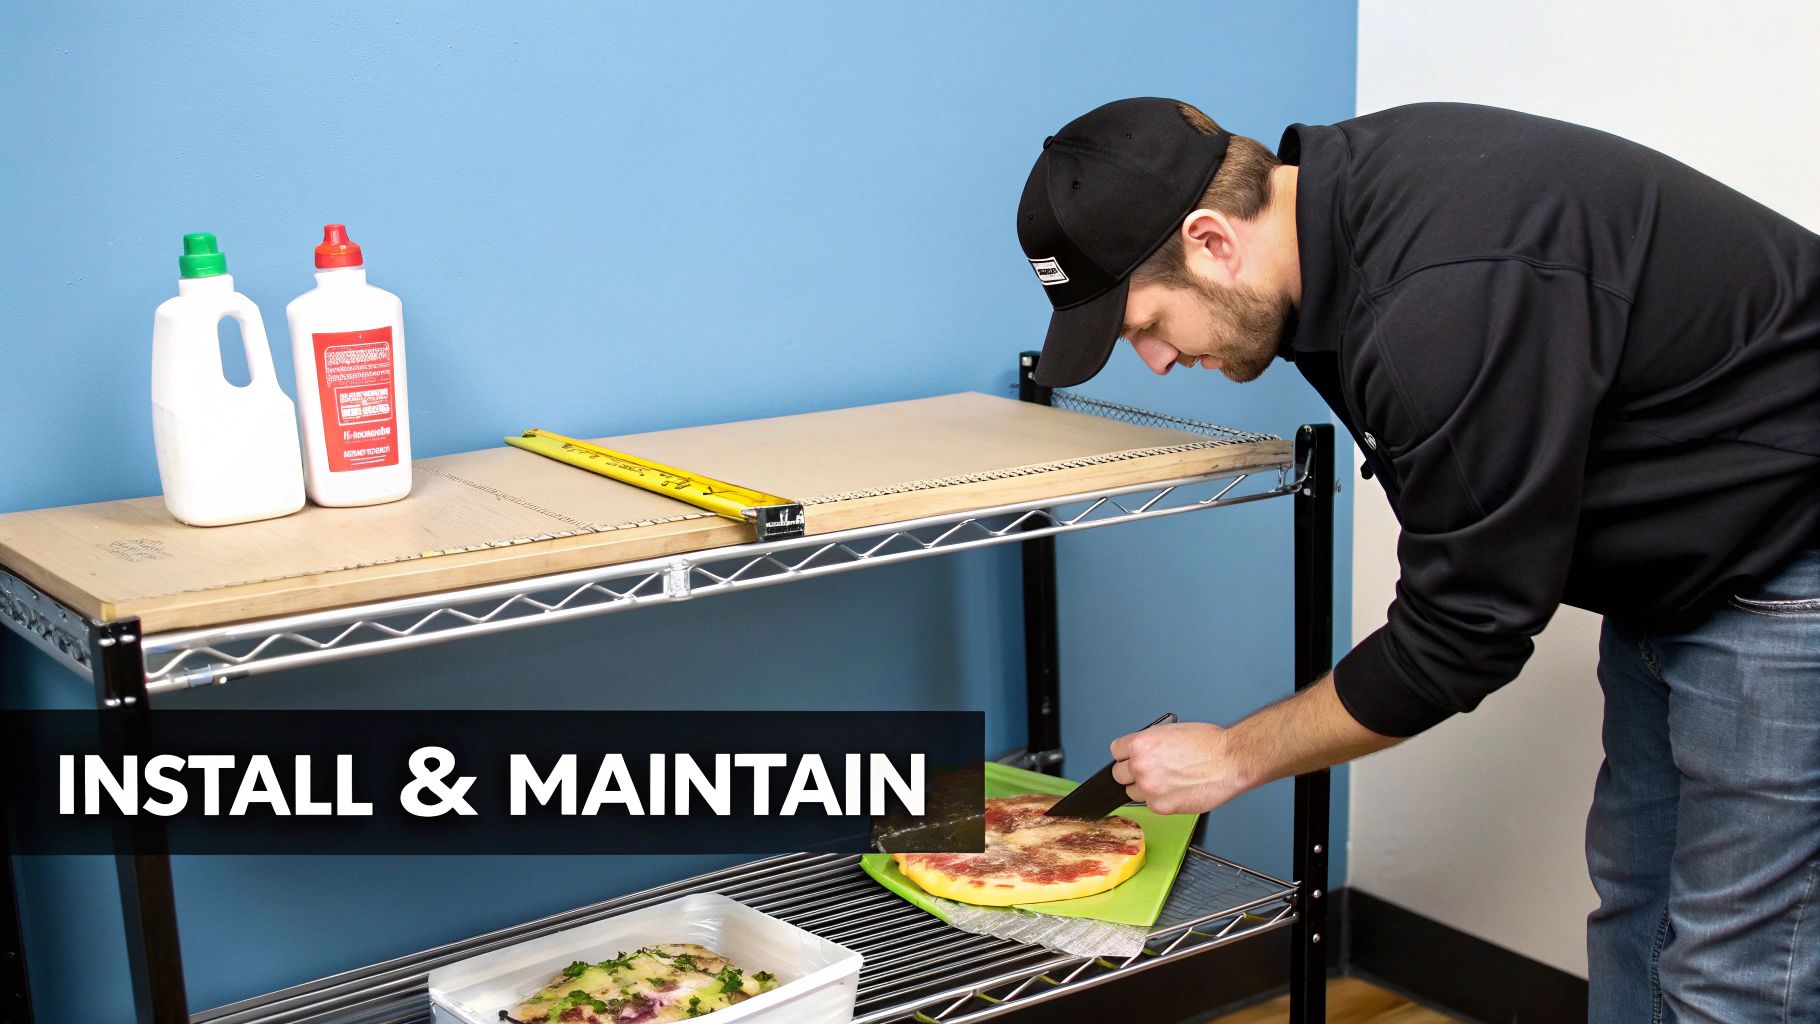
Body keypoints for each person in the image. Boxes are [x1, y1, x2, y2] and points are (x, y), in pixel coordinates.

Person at [1014, 97, 1819, 1022]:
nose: (1154, 362)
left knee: (1737, 971)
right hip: (1688, 568)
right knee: (1640, 915)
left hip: (1790, 560)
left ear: (1210, 241)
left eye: (1143, 325)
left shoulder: (1437, 297)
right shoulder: (1343, 215)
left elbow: (1459, 638)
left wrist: (1234, 757)